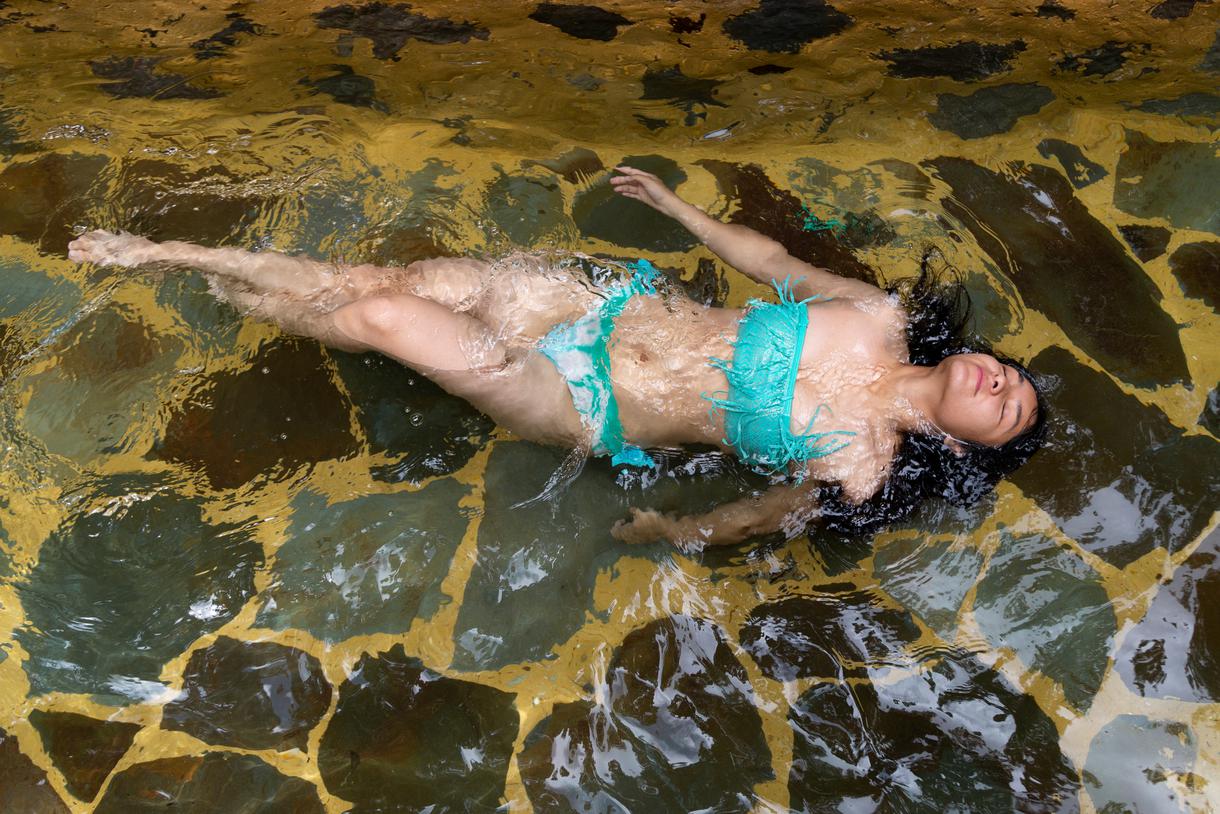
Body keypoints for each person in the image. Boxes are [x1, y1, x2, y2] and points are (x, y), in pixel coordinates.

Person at [67, 165, 1044, 547]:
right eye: (1010, 374)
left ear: (962, 448)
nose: (999, 382)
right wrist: (677, 209)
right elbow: (772, 263)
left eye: (1004, 408)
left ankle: (209, 275)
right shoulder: (874, 314)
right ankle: (179, 257)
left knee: (382, 317)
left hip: (578, 398)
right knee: (387, 282)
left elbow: (761, 514)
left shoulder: (861, 468)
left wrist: (676, 532)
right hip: (598, 304)